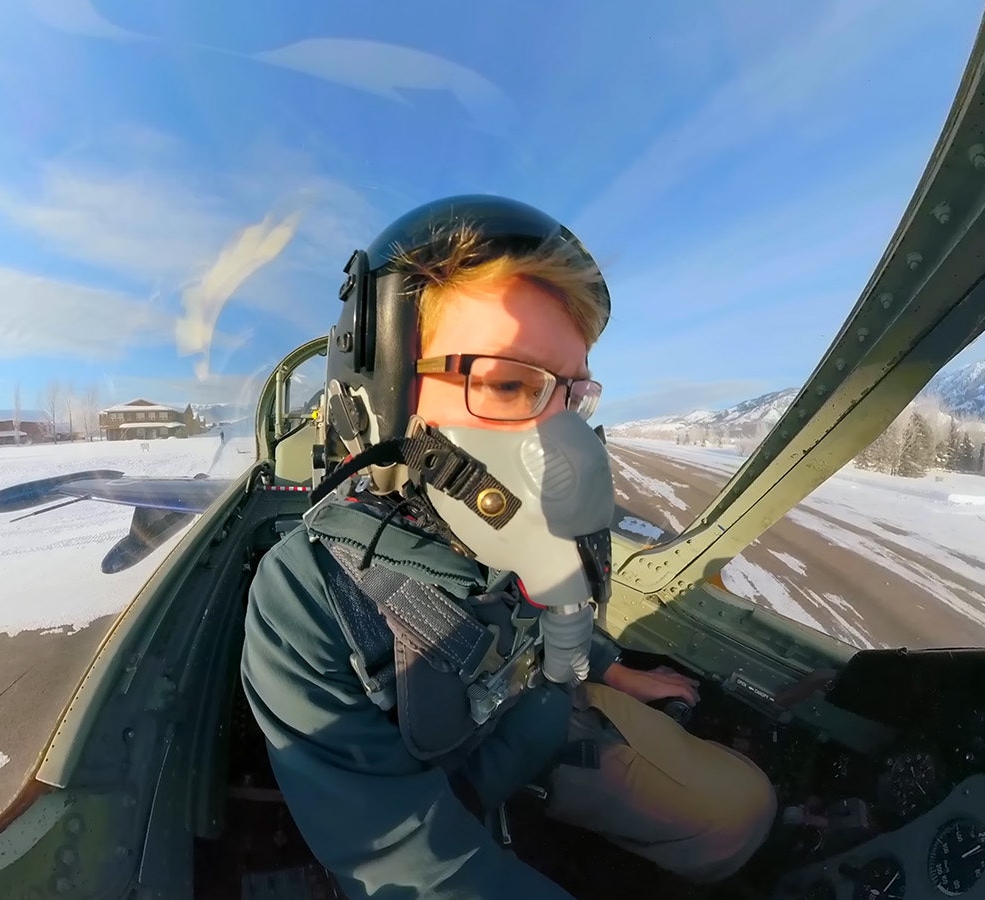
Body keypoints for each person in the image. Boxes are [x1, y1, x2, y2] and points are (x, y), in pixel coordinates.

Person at [240, 195, 779, 899]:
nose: (558, 441)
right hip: (455, 787)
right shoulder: (310, 591)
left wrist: (610, 670)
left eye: (571, 394)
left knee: (740, 811)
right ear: (388, 392)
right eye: (506, 383)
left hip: (555, 713)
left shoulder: (532, 522)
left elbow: (557, 600)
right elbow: (413, 869)